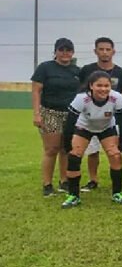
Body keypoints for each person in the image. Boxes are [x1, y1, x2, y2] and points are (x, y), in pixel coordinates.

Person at [60, 70, 122, 208]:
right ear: (91, 86)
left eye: (106, 86)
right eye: (99, 85)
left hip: (106, 127)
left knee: (115, 155)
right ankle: (73, 195)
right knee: (74, 156)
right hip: (84, 127)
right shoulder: (81, 98)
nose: (103, 89)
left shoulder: (117, 97)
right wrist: (67, 144)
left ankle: (117, 193)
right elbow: (70, 122)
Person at [76, 37, 122, 192]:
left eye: (108, 49)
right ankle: (93, 179)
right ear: (95, 51)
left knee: (115, 151)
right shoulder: (87, 70)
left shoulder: (121, 72)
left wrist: (112, 104)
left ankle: (117, 183)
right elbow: (80, 90)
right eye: (101, 49)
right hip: (91, 116)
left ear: (113, 51)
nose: (105, 52)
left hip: (112, 117)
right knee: (92, 150)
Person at [31, 38, 81, 197]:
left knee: (66, 148)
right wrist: (37, 113)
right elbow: (36, 91)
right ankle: (47, 184)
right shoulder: (45, 68)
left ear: (72, 52)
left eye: (68, 50)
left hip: (71, 114)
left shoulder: (77, 71)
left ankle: (64, 181)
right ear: (55, 52)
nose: (65, 53)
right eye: (61, 50)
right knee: (51, 149)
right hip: (50, 112)